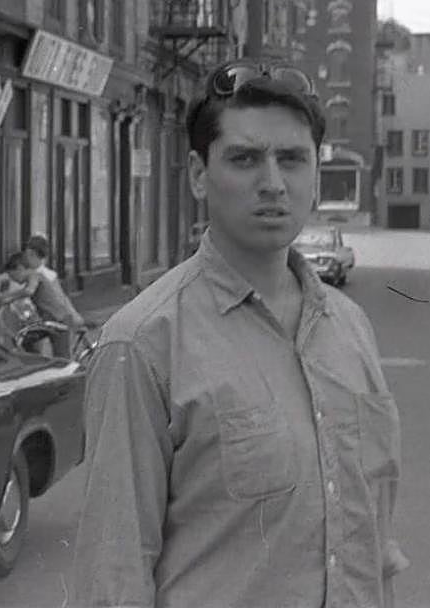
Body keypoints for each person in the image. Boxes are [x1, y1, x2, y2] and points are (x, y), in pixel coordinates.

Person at [71, 59, 407, 608]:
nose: (273, 183)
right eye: (245, 159)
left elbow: (374, 538)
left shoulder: (350, 329)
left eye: (293, 160)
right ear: (200, 174)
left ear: (315, 175)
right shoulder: (143, 343)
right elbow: (114, 574)